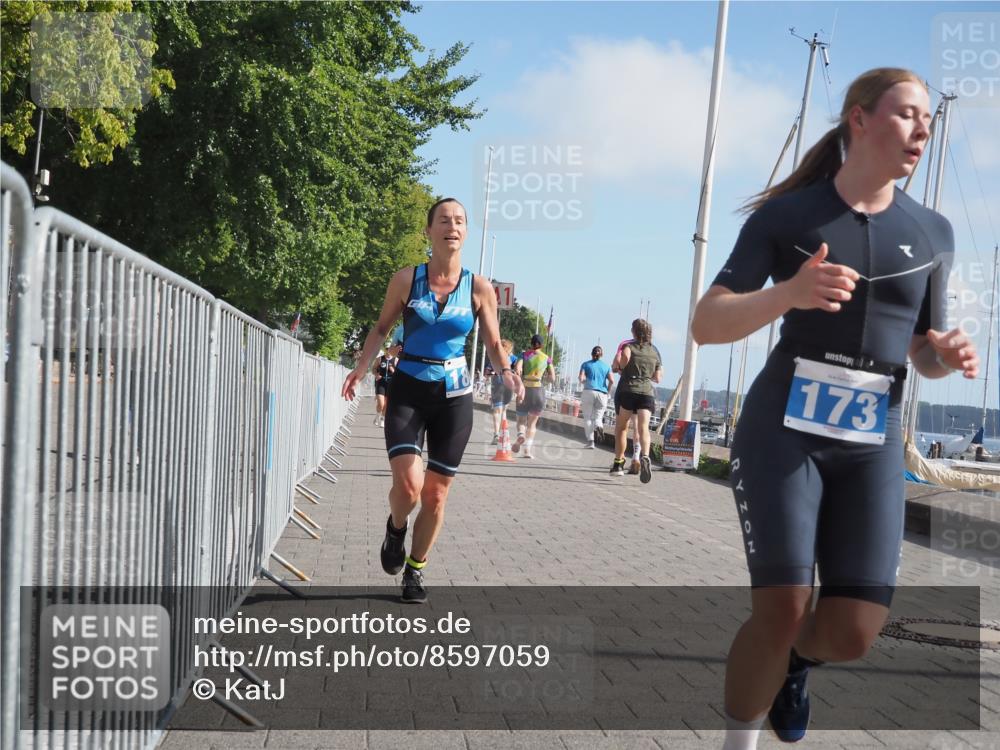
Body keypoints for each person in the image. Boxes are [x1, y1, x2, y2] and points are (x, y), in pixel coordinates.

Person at [690, 68, 979, 750]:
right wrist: (789, 293)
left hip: (871, 438)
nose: (920, 130)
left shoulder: (932, 232)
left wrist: (944, 352)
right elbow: (709, 322)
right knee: (783, 607)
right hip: (783, 430)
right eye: (907, 115)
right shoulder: (790, 217)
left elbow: (921, 353)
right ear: (859, 118)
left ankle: (794, 667)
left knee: (853, 632)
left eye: (926, 122)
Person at [342, 197, 522, 604]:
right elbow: (383, 326)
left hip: (454, 398)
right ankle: (395, 527)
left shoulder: (479, 288)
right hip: (408, 390)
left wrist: (507, 369)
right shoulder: (407, 279)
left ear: (465, 232)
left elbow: (493, 342)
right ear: (429, 231)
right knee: (408, 488)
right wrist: (362, 366)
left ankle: (415, 571)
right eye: (444, 220)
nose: (452, 227)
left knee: (437, 494)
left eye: (459, 221)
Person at [610, 320, 661, 482]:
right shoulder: (655, 351)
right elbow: (658, 377)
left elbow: (622, 363)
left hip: (628, 391)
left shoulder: (628, 347)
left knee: (622, 428)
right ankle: (645, 456)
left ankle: (618, 464)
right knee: (643, 428)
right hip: (647, 393)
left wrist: (619, 365)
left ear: (634, 331)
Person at [512, 334, 555, 459]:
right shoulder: (547, 358)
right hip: (538, 391)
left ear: (531, 343)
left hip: (525, 389)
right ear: (541, 345)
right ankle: (527, 451)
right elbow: (552, 378)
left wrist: (520, 376)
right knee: (532, 424)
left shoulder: (524, 355)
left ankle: (521, 434)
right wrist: (545, 377)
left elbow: (517, 368)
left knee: (521, 420)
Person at [579, 345, 613, 448]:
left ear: (591, 354)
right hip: (602, 394)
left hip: (589, 391)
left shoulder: (585, 364)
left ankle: (591, 442)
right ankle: (599, 425)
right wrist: (608, 392)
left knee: (588, 418)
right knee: (598, 418)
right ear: (601, 355)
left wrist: (585, 381)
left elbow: (581, 378)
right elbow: (612, 381)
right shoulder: (606, 367)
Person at [490, 339, 518, 443]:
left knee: (497, 410)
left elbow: (488, 371)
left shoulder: (495, 357)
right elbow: (518, 371)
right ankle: (503, 434)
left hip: (497, 381)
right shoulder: (514, 358)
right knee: (504, 409)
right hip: (509, 382)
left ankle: (496, 434)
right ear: (510, 348)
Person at [371, 344, 399, 427]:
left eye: (390, 348)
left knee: (387, 404)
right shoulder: (380, 359)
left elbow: (399, 373)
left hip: (390, 383)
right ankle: (377, 416)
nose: (388, 350)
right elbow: (373, 369)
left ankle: (382, 419)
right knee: (381, 403)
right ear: (385, 349)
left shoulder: (396, 360)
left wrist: (392, 370)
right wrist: (376, 374)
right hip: (381, 382)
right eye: (387, 348)